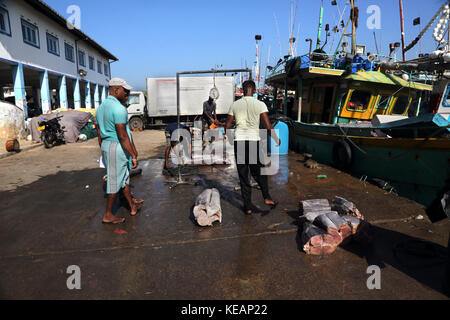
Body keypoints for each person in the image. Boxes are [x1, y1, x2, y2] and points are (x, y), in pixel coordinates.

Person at [225, 80, 281, 215]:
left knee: (244, 177)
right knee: (259, 172)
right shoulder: (260, 104)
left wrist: (232, 140)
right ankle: (266, 197)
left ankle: (248, 207)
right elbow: (268, 126)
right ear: (255, 90)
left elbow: (227, 126)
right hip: (253, 142)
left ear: (243, 90)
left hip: (240, 141)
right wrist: (276, 139)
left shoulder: (235, 105)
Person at [95, 78, 143, 224]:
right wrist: (133, 155)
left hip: (107, 145)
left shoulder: (101, 107)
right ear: (116, 90)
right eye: (125, 90)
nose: (127, 94)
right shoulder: (119, 109)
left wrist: (104, 150)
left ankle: (132, 205)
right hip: (117, 146)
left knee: (123, 178)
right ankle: (108, 214)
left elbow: (99, 133)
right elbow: (122, 136)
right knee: (115, 181)